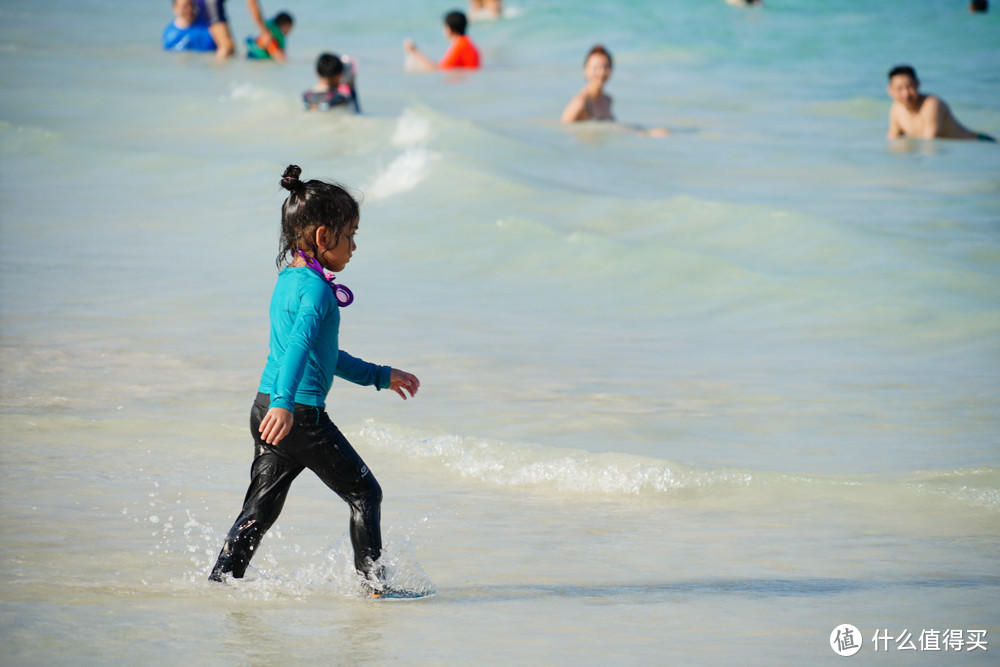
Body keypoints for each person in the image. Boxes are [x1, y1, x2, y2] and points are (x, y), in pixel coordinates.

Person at [209, 165, 421, 596]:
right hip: (297, 415)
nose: (355, 246)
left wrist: (380, 376)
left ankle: (221, 580)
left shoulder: (290, 280)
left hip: (266, 406)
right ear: (324, 237)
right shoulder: (317, 290)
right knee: (366, 493)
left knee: (261, 507)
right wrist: (288, 405)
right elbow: (300, 347)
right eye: (352, 234)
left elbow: (323, 354)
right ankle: (375, 589)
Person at [560, 45, 670, 137]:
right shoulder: (581, 102)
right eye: (596, 68)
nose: (601, 72)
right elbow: (562, 131)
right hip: (589, 152)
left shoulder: (607, 99)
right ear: (586, 70)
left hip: (602, 147)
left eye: (606, 67)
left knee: (664, 132)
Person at [886, 65, 995, 141]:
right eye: (899, 88)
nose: (906, 94)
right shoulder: (896, 109)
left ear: (918, 84)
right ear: (890, 90)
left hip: (980, 144)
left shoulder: (931, 104)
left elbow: (929, 144)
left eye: (910, 87)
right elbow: (893, 141)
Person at [404, 10, 480, 71]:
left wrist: (415, 51)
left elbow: (438, 70)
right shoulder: (467, 42)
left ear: (449, 29)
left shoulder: (461, 45)